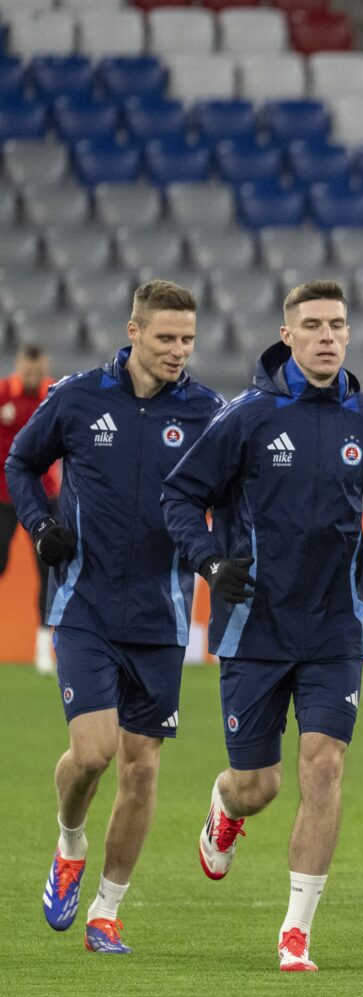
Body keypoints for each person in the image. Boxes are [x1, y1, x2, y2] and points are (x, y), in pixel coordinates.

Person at [161, 280, 363, 973]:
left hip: (337, 625)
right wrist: (212, 563)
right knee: (261, 783)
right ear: (288, 332)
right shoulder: (247, 417)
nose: (328, 335)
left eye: (337, 323)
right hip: (254, 626)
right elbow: (181, 496)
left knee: (325, 764)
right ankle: (226, 803)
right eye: (313, 324)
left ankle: (296, 930)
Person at [5, 281, 223, 954]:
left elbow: (237, 491)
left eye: (187, 339)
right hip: (84, 606)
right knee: (94, 753)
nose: (177, 351)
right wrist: (40, 525)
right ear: (133, 330)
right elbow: (19, 461)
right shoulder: (76, 397)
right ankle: (70, 843)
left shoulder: (208, 411)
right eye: (165, 337)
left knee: (142, 768)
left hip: (163, 617)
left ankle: (107, 909)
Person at [0, 343, 60, 673]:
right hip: (3, 496)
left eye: (38, 367)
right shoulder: (4, 392)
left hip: (43, 496)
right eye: (28, 366)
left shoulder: (54, 394)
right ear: (20, 364)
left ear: (44, 365)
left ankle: (42, 648)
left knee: (48, 570)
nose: (33, 373)